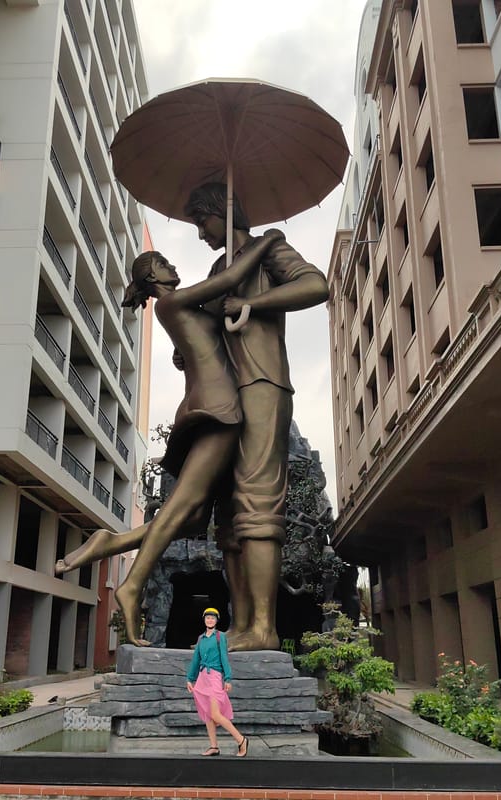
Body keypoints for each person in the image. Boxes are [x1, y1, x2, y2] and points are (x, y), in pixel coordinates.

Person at [55, 229, 284, 645]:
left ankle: (115, 541)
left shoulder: (183, 309)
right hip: (219, 409)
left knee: (194, 515)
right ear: (154, 275)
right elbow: (230, 278)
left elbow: (213, 328)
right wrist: (267, 242)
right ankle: (132, 583)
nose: (174, 266)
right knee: (184, 506)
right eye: (165, 263)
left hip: (212, 404)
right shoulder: (174, 302)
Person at [180, 182, 330, 652]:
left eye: (201, 222)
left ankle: (265, 628)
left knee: (258, 500)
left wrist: (252, 304)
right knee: (228, 514)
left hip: (263, 385)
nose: (201, 234)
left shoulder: (270, 249)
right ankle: (241, 624)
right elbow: (209, 327)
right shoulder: (218, 268)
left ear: (219, 213)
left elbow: (317, 285)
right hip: (223, 398)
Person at [186, 608, 248, 757]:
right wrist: (190, 678)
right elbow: (196, 659)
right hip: (202, 678)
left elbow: (224, 658)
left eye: (212, 618)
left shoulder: (220, 637)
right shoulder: (201, 638)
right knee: (208, 714)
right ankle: (214, 746)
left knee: (215, 714)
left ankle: (241, 739)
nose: (210, 620)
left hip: (214, 677)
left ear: (216, 620)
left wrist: (227, 678)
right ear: (204, 620)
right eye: (207, 618)